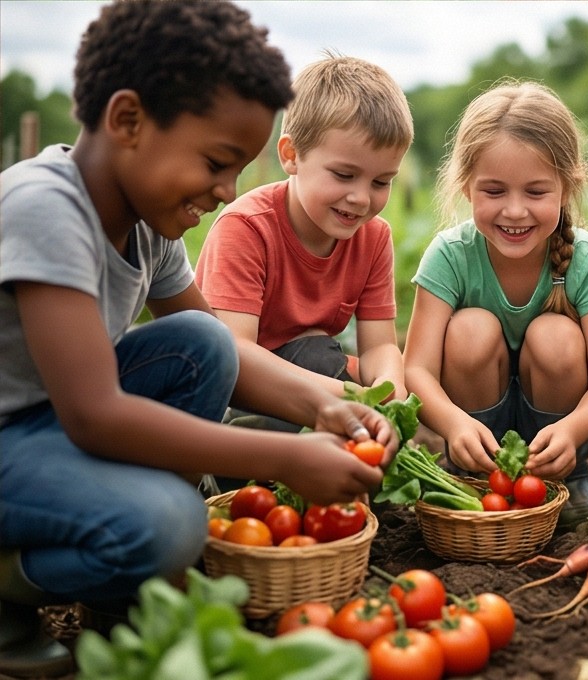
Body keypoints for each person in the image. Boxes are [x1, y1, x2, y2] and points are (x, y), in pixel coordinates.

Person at [0, 2, 397, 677]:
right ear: (128, 121)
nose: (227, 190)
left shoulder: (148, 220)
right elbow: (95, 415)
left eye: (238, 168)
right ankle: (8, 589)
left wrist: (319, 406)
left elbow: (219, 348)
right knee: (169, 526)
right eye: (217, 162)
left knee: (199, 342)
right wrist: (284, 458)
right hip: (20, 434)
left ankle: (118, 553)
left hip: (47, 430)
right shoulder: (45, 207)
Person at [403, 80, 588, 529]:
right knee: (471, 329)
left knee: (556, 335)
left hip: (556, 447)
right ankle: (472, 474)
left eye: (536, 192)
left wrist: (572, 432)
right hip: (477, 438)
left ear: (568, 186)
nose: (515, 211)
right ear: (466, 186)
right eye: (494, 191)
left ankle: (571, 476)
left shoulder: (586, 260)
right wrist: (452, 426)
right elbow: (416, 371)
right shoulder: (450, 256)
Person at [196, 54, 414, 441]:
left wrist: (388, 391)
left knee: (331, 360)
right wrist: (351, 399)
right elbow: (235, 354)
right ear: (291, 156)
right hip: (236, 396)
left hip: (317, 379)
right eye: (344, 175)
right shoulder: (246, 228)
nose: (361, 198)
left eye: (381, 182)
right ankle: (227, 465)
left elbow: (380, 347)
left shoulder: (373, 237)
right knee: (315, 355)